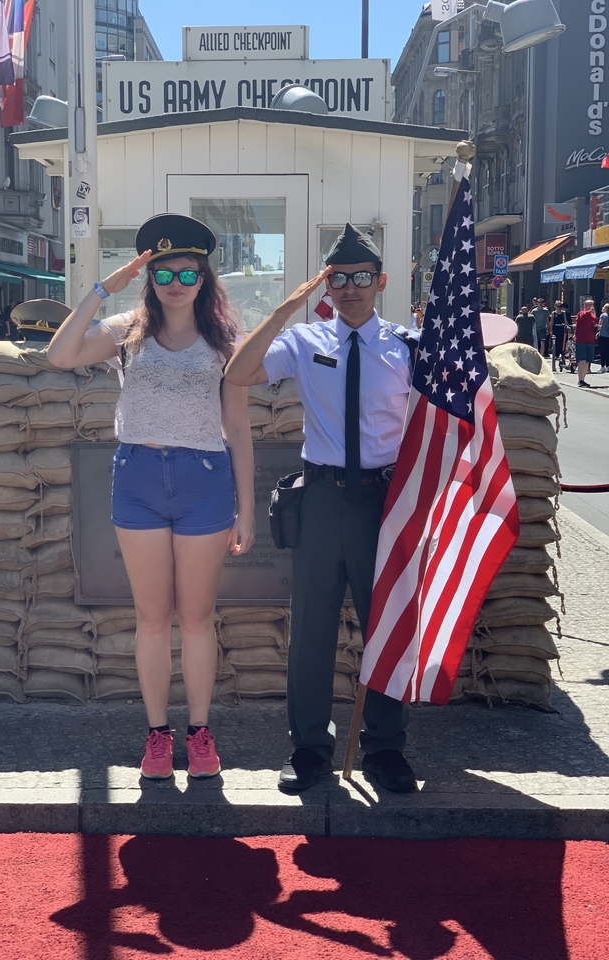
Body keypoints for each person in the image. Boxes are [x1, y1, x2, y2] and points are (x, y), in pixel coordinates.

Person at [47, 213, 255, 780]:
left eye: (188, 274)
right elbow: (60, 356)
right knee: (151, 616)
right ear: (149, 277)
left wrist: (247, 509)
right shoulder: (127, 329)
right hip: (137, 476)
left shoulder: (225, 342)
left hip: (204, 480)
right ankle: (158, 736)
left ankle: (202, 734)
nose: (176, 284)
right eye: (164, 273)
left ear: (205, 279)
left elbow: (237, 428)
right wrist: (98, 290)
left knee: (196, 616)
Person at [226, 222, 417, 795]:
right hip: (322, 500)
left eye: (361, 277)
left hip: (383, 502)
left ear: (380, 282)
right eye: (338, 279)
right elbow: (238, 372)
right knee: (311, 628)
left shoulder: (407, 346)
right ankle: (309, 747)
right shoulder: (306, 342)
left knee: (386, 629)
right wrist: (287, 308)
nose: (351, 288)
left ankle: (386, 748)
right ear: (325, 287)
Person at [574, 298, 598, 387]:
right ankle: (580, 380)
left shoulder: (593, 316)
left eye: (592, 305)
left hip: (590, 340)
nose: (591, 307)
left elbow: (594, 324)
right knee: (582, 360)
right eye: (589, 305)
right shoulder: (581, 313)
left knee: (587, 361)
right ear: (585, 305)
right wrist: (589, 312)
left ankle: (583, 380)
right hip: (581, 340)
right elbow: (581, 318)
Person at [548, 301, 570, 368]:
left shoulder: (563, 313)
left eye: (560, 306)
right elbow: (551, 323)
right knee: (556, 343)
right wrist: (551, 331)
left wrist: (567, 326)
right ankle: (556, 355)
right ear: (555, 306)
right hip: (556, 329)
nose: (559, 308)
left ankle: (562, 354)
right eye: (558, 306)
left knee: (562, 343)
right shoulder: (553, 313)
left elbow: (565, 321)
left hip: (562, 329)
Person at [598, 302, 609, 373]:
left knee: (602, 351)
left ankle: (602, 366)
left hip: (602, 335)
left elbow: (600, 326)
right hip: (608, 335)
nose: (602, 308)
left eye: (604, 307)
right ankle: (608, 366)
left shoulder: (603, 315)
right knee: (608, 351)